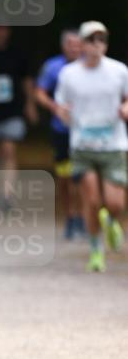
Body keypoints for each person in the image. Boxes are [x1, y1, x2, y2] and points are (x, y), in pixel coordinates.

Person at [55, 21, 128, 273]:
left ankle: (112, 223)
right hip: (82, 145)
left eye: (102, 40)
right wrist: (62, 112)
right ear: (83, 44)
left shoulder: (119, 71)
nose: (97, 45)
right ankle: (96, 249)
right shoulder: (69, 74)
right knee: (93, 201)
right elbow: (60, 104)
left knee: (115, 203)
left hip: (114, 145)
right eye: (91, 40)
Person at [0, 25, 36, 206]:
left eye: (3, 29)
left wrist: (30, 104)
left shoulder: (17, 54)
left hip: (11, 111)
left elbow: (26, 80)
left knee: (8, 150)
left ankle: (7, 194)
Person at [35, 29, 85, 239]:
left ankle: (83, 216)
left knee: (82, 177)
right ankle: (70, 216)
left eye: (77, 44)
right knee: (65, 177)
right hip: (61, 130)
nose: (74, 48)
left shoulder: (90, 66)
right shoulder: (53, 67)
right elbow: (40, 92)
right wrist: (55, 107)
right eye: (70, 44)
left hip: (86, 131)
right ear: (63, 46)